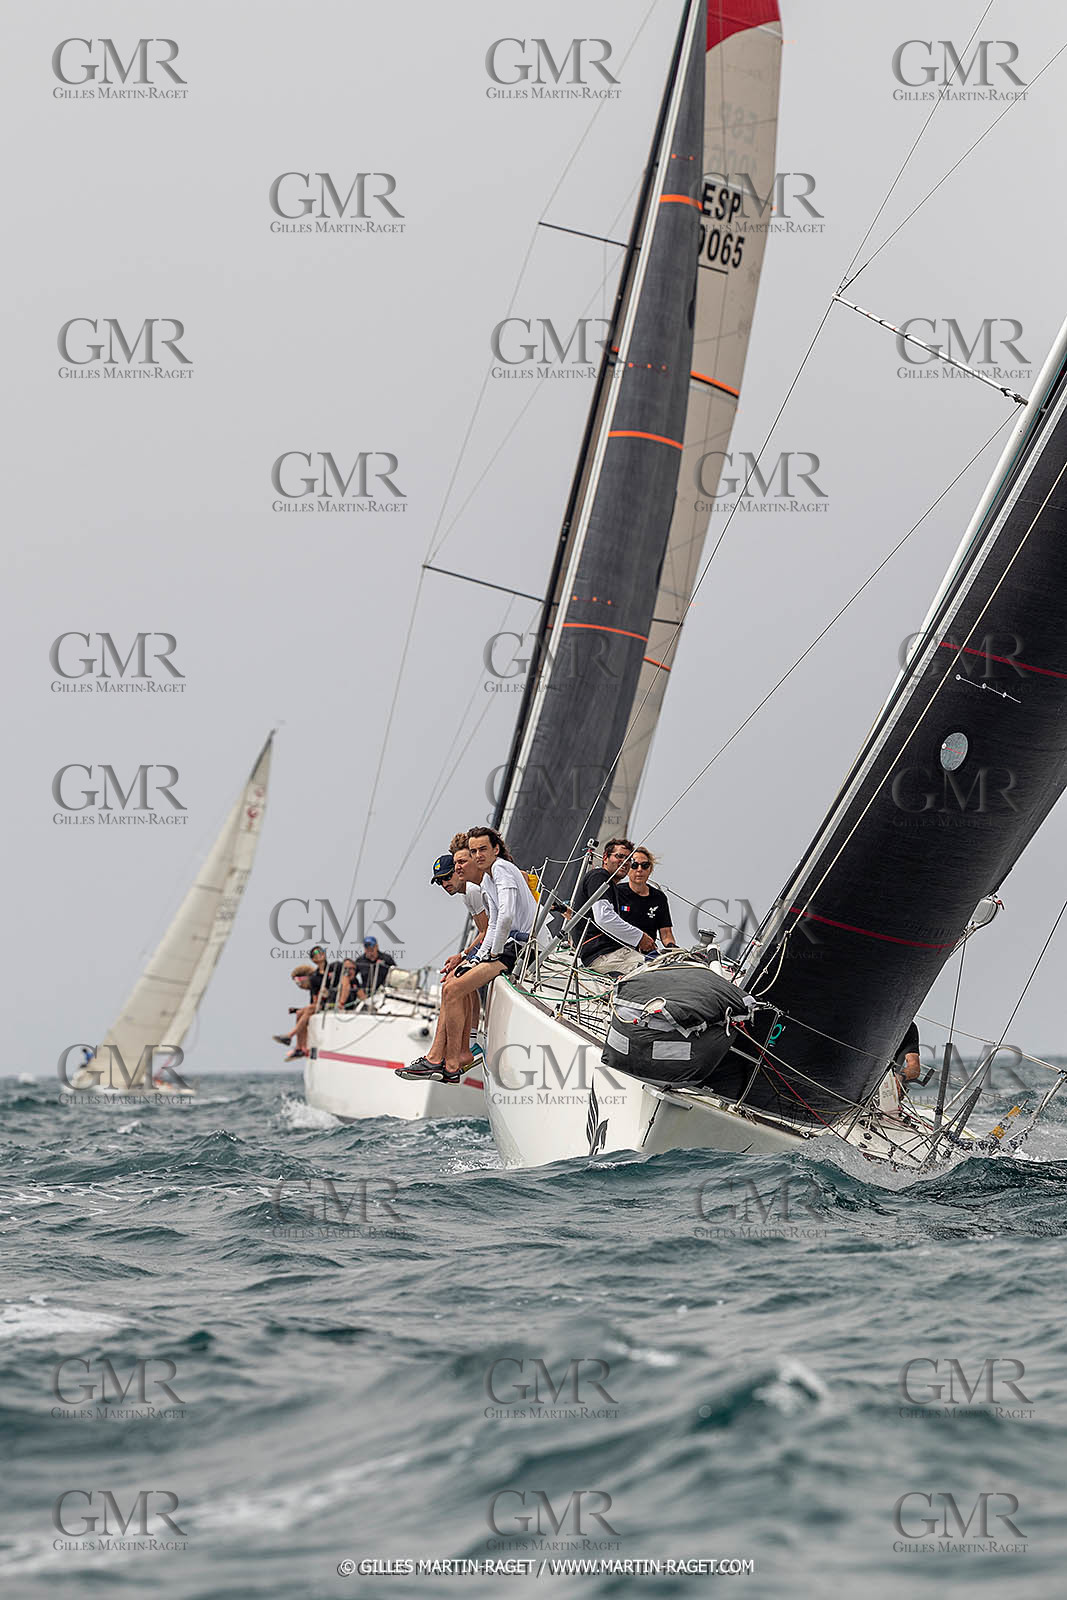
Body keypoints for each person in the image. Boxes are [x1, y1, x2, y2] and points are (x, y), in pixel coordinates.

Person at [397, 825, 535, 1083]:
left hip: (518, 947)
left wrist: (486, 955)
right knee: (455, 982)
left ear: (494, 850)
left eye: (469, 856)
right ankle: (446, 1059)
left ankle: (449, 1061)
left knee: (452, 989)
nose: (459, 867)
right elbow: (493, 925)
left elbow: (504, 919)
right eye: (471, 852)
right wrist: (476, 958)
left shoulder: (501, 871)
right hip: (507, 947)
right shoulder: (488, 882)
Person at [402, 848, 491, 1078]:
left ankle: (440, 1056)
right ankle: (468, 1045)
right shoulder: (467, 893)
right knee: (458, 980)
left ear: (458, 872)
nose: (444, 884)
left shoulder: (472, 891)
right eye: (440, 882)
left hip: (503, 945)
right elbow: (483, 931)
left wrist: (464, 956)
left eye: (447, 877)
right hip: (491, 942)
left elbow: (486, 930)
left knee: (453, 984)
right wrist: (463, 956)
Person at [571, 837, 655, 977]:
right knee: (656, 971)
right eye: (619, 856)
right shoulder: (599, 876)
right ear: (605, 858)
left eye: (628, 859)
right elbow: (604, 918)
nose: (624, 862)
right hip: (602, 956)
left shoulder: (610, 885)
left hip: (611, 954)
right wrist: (640, 937)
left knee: (662, 964)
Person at [613, 848, 677, 951]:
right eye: (634, 865)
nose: (639, 869)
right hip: (619, 952)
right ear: (627, 868)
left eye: (645, 865)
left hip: (648, 954)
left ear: (650, 869)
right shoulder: (616, 892)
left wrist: (672, 948)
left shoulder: (659, 898)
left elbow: (666, 933)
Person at [272, 964, 315, 1060]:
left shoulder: (317, 983)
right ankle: (299, 1047)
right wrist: (297, 1010)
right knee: (299, 1013)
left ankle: (290, 1036)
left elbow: (316, 1005)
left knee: (304, 1011)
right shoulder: (312, 989)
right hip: (317, 1007)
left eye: (299, 983)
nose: (299, 987)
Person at [353, 935, 395, 1000]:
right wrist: (358, 989)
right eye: (367, 949)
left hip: (384, 994)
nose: (370, 952)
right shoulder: (360, 961)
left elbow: (395, 974)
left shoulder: (387, 959)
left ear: (376, 947)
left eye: (372, 949)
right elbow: (352, 977)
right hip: (366, 994)